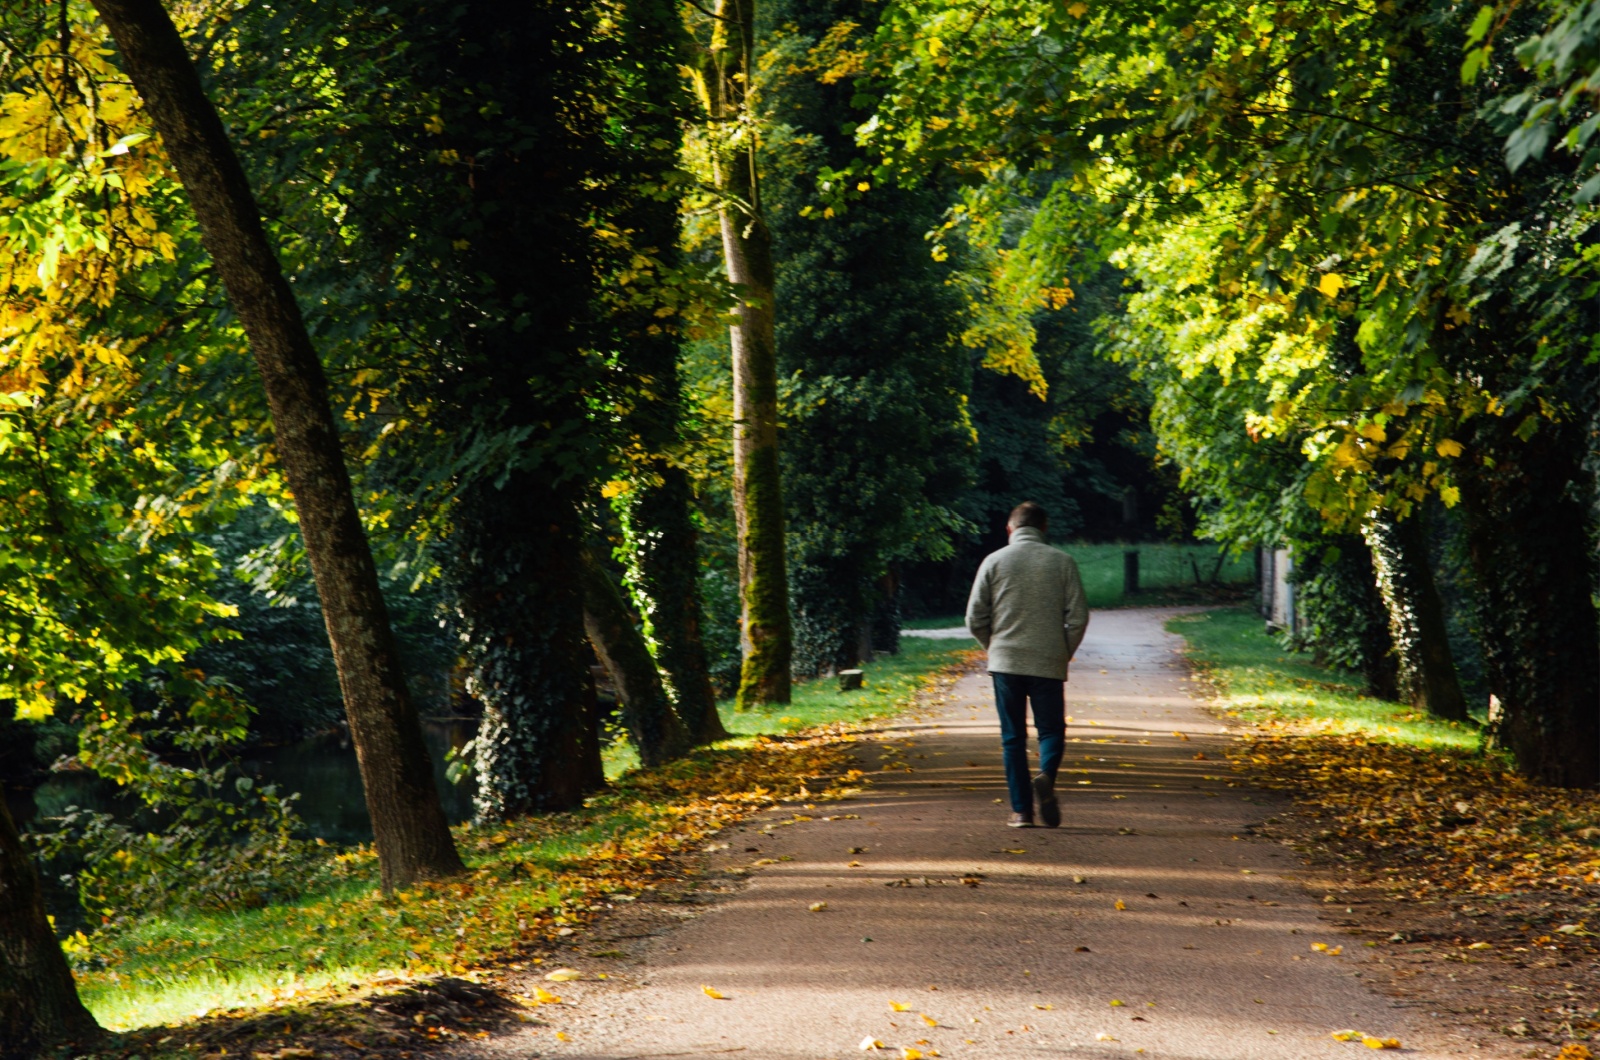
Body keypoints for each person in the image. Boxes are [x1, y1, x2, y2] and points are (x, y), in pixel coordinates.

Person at [964, 501, 1089, 828]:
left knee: (1013, 737)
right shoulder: (1063, 563)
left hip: (1006, 662)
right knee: (1051, 730)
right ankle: (1046, 774)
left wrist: (995, 648)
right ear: (1044, 528)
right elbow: (1077, 618)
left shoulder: (993, 561)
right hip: (1048, 660)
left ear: (1010, 529)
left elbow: (974, 618)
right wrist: (1063, 652)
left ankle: (1021, 812)